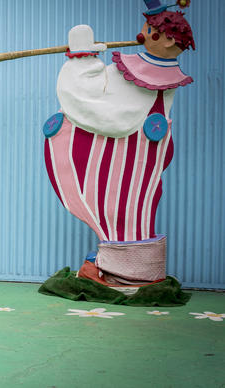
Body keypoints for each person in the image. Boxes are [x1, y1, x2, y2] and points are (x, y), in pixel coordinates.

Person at [42, 1, 194, 289]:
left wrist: (82, 59)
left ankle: (131, 273)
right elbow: (106, 101)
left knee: (131, 207)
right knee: (120, 208)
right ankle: (121, 269)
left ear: (170, 40)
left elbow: (101, 106)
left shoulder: (155, 76)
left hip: (138, 158)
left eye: (150, 31)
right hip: (135, 158)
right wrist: (84, 58)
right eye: (146, 28)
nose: (141, 35)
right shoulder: (139, 70)